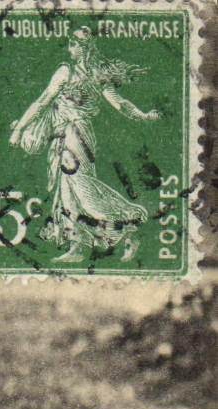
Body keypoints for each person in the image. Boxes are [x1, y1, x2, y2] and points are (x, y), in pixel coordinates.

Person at [9, 26, 160, 262]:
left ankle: (129, 226)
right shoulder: (75, 72)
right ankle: (79, 245)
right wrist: (142, 115)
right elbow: (44, 103)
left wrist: (142, 116)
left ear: (84, 48)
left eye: (74, 44)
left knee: (82, 188)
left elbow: (117, 102)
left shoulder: (77, 72)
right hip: (66, 134)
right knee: (67, 191)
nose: (70, 48)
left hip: (75, 134)